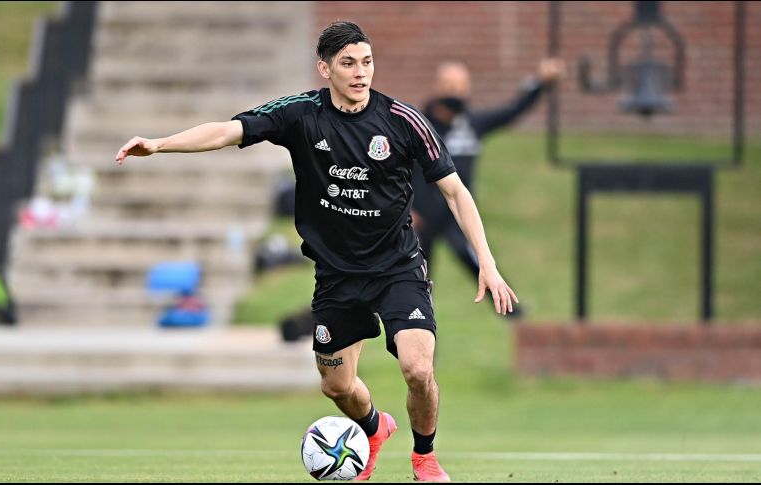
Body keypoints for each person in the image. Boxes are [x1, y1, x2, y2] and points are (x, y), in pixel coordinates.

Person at [115, 21, 518, 483]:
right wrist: (160, 144)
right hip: (336, 275)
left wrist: (486, 262)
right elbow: (227, 131)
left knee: (417, 367)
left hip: (397, 268)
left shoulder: (403, 121)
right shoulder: (301, 114)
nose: (360, 72)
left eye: (366, 62)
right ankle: (374, 427)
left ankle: (424, 457)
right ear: (324, 68)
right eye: (348, 63)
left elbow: (456, 192)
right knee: (337, 386)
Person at [411, 59, 563, 317]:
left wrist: (540, 83)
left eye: (460, 86)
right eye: (448, 85)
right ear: (437, 88)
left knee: (478, 261)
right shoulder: (418, 125)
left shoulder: (471, 125)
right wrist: (409, 209)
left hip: (455, 216)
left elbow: (512, 111)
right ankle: (421, 344)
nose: (454, 92)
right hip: (420, 218)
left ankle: (512, 310)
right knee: (417, 282)